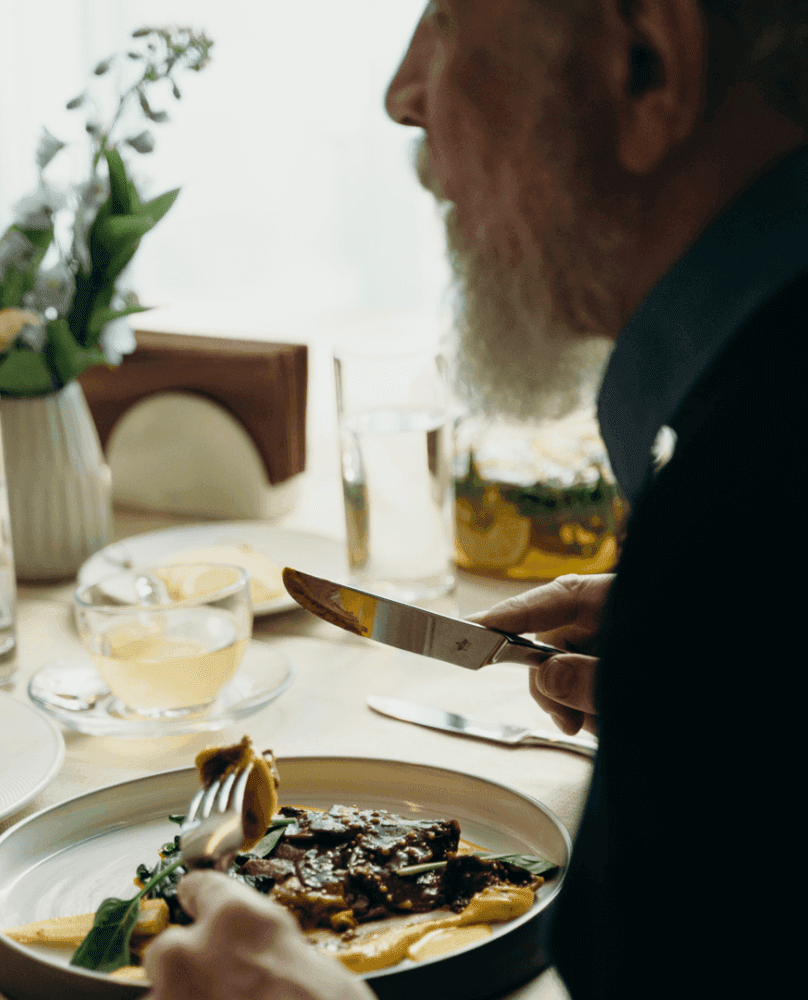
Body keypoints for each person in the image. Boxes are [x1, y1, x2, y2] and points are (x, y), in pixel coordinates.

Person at [145, 3, 806, 997]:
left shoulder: (748, 512)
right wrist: (717, 665)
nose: (401, 94)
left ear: (646, 67)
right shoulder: (744, 523)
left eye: (449, 18)